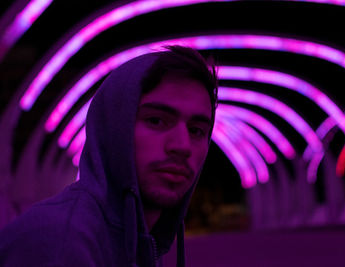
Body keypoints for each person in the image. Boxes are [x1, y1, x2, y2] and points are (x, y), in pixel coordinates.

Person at [0, 45, 218, 267]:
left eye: (196, 130)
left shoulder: (142, 241)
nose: (182, 146)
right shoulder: (56, 241)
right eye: (156, 120)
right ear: (112, 128)